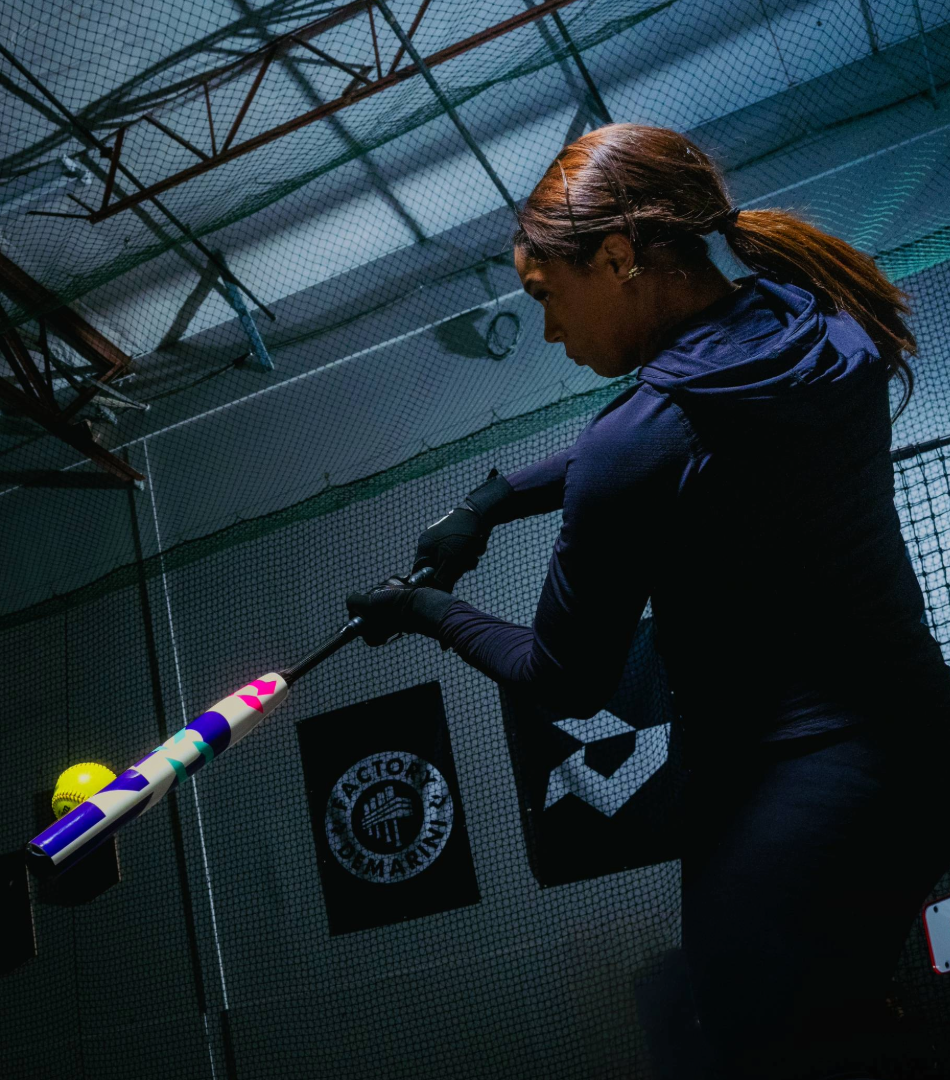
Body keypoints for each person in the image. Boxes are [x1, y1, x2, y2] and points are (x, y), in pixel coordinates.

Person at [346, 123, 950, 1079]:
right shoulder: (819, 319)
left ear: (620, 257)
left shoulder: (635, 447)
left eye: (549, 297)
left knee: (750, 1042)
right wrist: (495, 499)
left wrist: (424, 613)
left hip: (785, 786)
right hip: (917, 756)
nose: (549, 329)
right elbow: (673, 429)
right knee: (812, 1016)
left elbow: (562, 677)